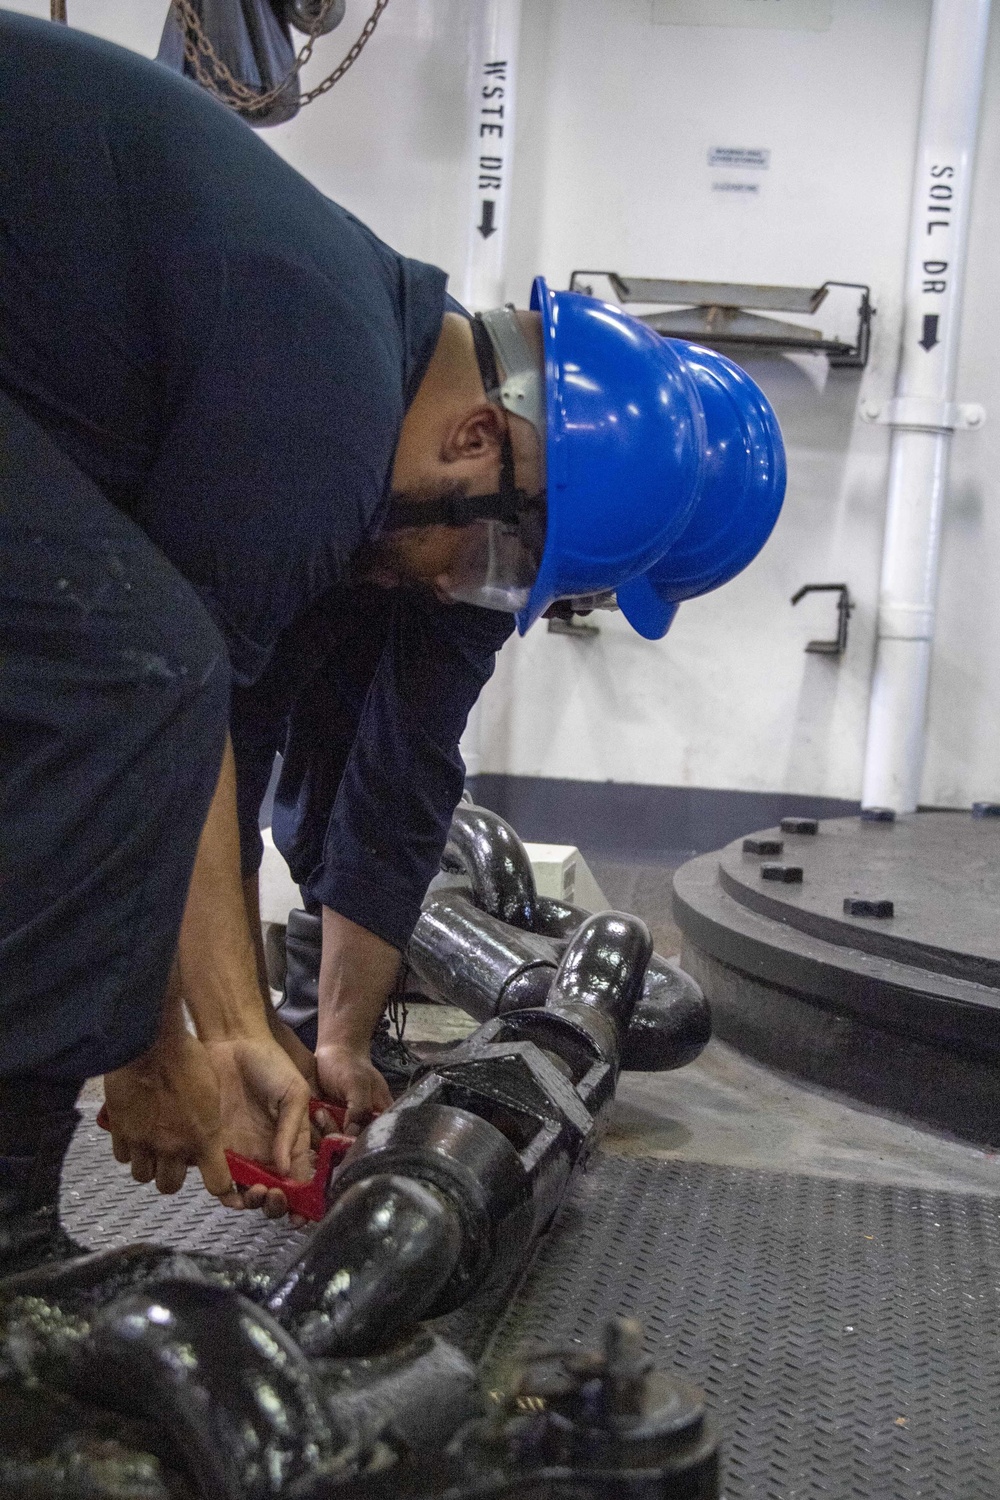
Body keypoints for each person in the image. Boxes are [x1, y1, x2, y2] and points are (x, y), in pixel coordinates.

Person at [0, 10, 785, 1274]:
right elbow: (191, 717)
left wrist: (314, 1042)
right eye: (489, 559)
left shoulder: (367, 366)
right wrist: (170, 1043)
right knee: (125, 669)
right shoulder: (321, 401)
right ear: (480, 441)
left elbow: (386, 771)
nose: (457, 590)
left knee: (112, 662)